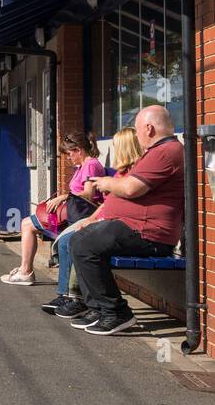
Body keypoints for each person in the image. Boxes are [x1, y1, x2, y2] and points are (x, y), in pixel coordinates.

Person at [61, 105, 186, 335]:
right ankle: (98, 308)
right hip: (135, 227)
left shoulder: (166, 152)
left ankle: (116, 312)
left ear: (149, 128)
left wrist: (106, 183)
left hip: (149, 233)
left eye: (137, 131)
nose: (137, 137)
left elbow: (130, 188)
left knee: (86, 244)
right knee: (78, 240)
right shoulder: (158, 151)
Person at [41, 126, 143, 316]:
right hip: (100, 217)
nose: (68, 157)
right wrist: (90, 219)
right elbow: (109, 203)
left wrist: (70, 201)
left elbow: (93, 196)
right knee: (70, 240)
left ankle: (79, 299)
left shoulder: (127, 173)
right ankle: (75, 298)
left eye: (117, 147)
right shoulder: (121, 173)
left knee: (76, 242)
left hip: (125, 226)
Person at [1, 131, 105, 285]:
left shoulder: (90, 165)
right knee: (28, 223)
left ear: (79, 150)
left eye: (70, 153)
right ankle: (25, 269)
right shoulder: (83, 166)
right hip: (73, 213)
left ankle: (25, 271)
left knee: (26, 224)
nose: (68, 158)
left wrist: (63, 197)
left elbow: (89, 194)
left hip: (80, 216)